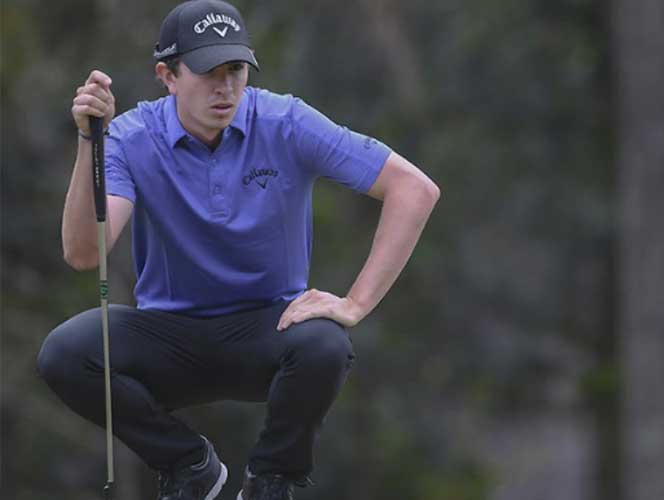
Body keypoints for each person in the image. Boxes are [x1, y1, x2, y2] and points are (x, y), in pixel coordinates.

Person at [36, 0, 440, 499]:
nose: (225, 87)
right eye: (208, 72)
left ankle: (271, 481)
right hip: (169, 335)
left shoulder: (286, 121)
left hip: (268, 331)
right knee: (66, 353)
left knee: (325, 343)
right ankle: (188, 467)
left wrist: (354, 304)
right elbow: (85, 253)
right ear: (168, 75)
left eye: (236, 70)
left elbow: (413, 189)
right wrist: (88, 144)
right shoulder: (131, 136)